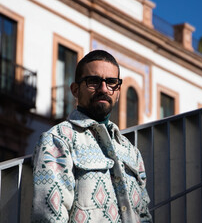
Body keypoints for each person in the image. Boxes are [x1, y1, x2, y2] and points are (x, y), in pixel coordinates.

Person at [31, 50, 152, 222]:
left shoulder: (131, 151)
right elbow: (49, 216)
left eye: (111, 82)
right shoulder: (58, 139)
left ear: (118, 91)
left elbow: (144, 215)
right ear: (75, 89)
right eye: (93, 81)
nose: (104, 88)